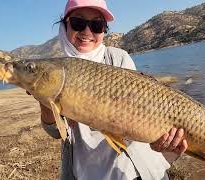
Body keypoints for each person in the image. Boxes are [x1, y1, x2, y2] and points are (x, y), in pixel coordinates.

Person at [40, 0, 188, 179]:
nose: (87, 32)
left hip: (142, 172)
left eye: (97, 25)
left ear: (104, 30)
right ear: (65, 25)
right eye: (78, 23)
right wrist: (46, 102)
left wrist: (157, 140)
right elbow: (56, 132)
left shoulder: (118, 57)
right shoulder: (53, 70)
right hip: (92, 172)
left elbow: (140, 116)